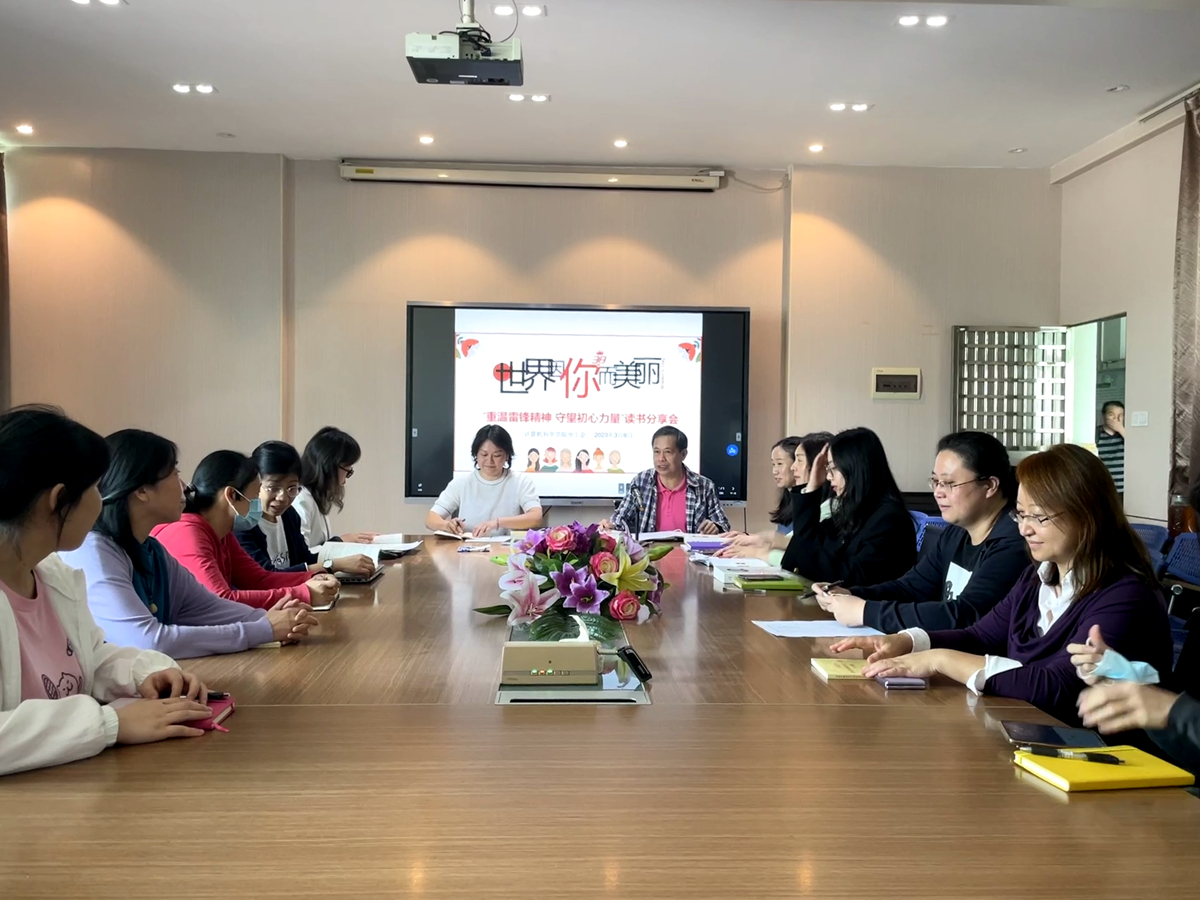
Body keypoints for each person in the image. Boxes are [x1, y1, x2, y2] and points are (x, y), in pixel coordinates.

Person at [834, 444, 1172, 727]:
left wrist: (940, 660)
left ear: (1087, 515)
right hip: (1028, 734)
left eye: (1039, 517)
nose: (1025, 529)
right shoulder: (1037, 577)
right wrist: (908, 641)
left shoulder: (1125, 595)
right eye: (1020, 515)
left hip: (1103, 761)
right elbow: (981, 636)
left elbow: (1056, 687)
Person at [0, 406, 215, 776]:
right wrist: (109, 724)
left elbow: (91, 656)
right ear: (58, 499)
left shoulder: (52, 576)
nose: (103, 501)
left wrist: (144, 672)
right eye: (96, 488)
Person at [62, 430, 319, 659]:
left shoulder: (152, 550)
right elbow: (150, 641)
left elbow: (206, 606)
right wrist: (263, 629)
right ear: (142, 490)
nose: (184, 486)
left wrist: (272, 619)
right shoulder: (95, 552)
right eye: (174, 474)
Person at [814, 431, 1028, 631]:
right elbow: (910, 588)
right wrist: (850, 594)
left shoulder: (1015, 541)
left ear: (990, 486)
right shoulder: (956, 533)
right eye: (935, 481)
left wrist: (865, 611)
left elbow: (965, 615)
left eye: (949, 483)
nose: (938, 493)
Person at [153, 451, 340, 609]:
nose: (258, 502)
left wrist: (314, 577)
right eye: (256, 494)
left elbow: (258, 579)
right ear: (232, 495)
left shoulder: (223, 532)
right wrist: (303, 593)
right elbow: (221, 600)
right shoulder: (188, 532)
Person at [778, 427, 915, 585]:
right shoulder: (851, 510)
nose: (828, 477)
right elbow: (805, 544)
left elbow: (851, 577)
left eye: (833, 468)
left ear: (854, 467)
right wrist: (812, 487)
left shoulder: (890, 520)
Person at [237, 441, 374, 576]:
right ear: (255, 484)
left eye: (292, 488)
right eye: (273, 488)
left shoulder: (289, 515)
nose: (282, 497)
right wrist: (335, 565)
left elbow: (305, 559)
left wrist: (345, 561)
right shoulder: (243, 525)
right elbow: (266, 576)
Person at [600, 426, 730, 535]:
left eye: (667, 452)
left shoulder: (704, 486)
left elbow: (723, 525)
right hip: (649, 553)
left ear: (683, 454)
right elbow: (621, 518)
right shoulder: (641, 482)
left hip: (691, 554)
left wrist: (716, 528)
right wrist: (611, 525)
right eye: (656, 452)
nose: (661, 458)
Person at [425, 425, 544, 538]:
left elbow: (536, 517)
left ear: (507, 456)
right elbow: (431, 519)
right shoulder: (461, 483)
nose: (489, 461)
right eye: (484, 454)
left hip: (505, 549)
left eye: (497, 455)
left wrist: (497, 523)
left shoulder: (521, 482)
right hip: (467, 547)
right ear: (476, 455)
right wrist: (447, 525)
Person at [293, 427, 377, 550]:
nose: (347, 476)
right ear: (329, 467)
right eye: (347, 469)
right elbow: (301, 555)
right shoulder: (301, 500)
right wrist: (340, 541)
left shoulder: (316, 498)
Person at [1096, 400, 1125, 498]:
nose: (1116, 419)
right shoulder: (1096, 434)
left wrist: (1121, 429)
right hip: (1103, 488)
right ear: (1103, 416)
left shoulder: (1125, 434)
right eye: (1111, 415)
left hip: (1124, 489)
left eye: (1120, 415)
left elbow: (1138, 448)